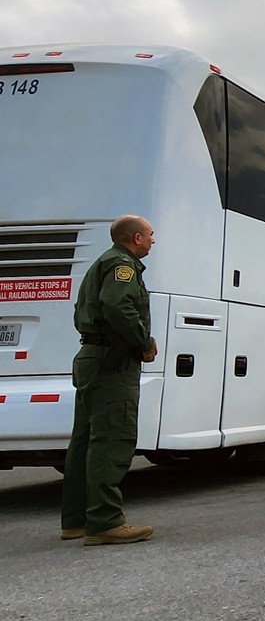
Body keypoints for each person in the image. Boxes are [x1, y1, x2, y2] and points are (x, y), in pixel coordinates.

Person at [61, 215, 157, 546]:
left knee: (85, 440)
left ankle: (76, 520)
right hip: (111, 362)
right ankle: (104, 521)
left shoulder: (102, 263)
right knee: (112, 437)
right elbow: (117, 305)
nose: (153, 241)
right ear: (136, 238)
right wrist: (143, 341)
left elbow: (82, 310)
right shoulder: (121, 265)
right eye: (149, 235)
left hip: (92, 357)